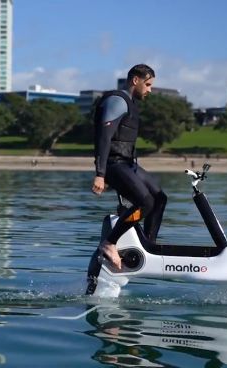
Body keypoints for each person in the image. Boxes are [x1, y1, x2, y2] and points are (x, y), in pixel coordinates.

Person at [91, 64, 167, 270]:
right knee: (145, 203)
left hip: (127, 164)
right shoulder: (117, 100)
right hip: (113, 164)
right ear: (136, 80)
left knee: (159, 198)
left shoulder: (131, 103)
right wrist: (100, 174)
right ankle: (109, 243)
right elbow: (104, 138)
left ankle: (148, 245)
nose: (150, 89)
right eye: (148, 84)